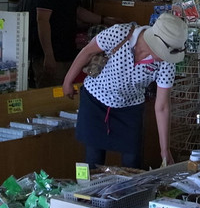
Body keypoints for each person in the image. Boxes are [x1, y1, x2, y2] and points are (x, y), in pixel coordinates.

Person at [62, 12, 187, 169]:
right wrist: (68, 81)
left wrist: (165, 149)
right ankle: (86, 193)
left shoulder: (167, 63)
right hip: (95, 100)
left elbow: (162, 107)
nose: (166, 57)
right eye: (164, 52)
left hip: (130, 108)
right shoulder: (119, 33)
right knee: (93, 159)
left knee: (132, 161)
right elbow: (88, 51)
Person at [28, 0, 106, 87]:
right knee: (50, 99)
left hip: (67, 53)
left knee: (65, 97)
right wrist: (48, 55)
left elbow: (77, 11)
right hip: (50, 56)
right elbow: (42, 20)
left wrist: (104, 20)